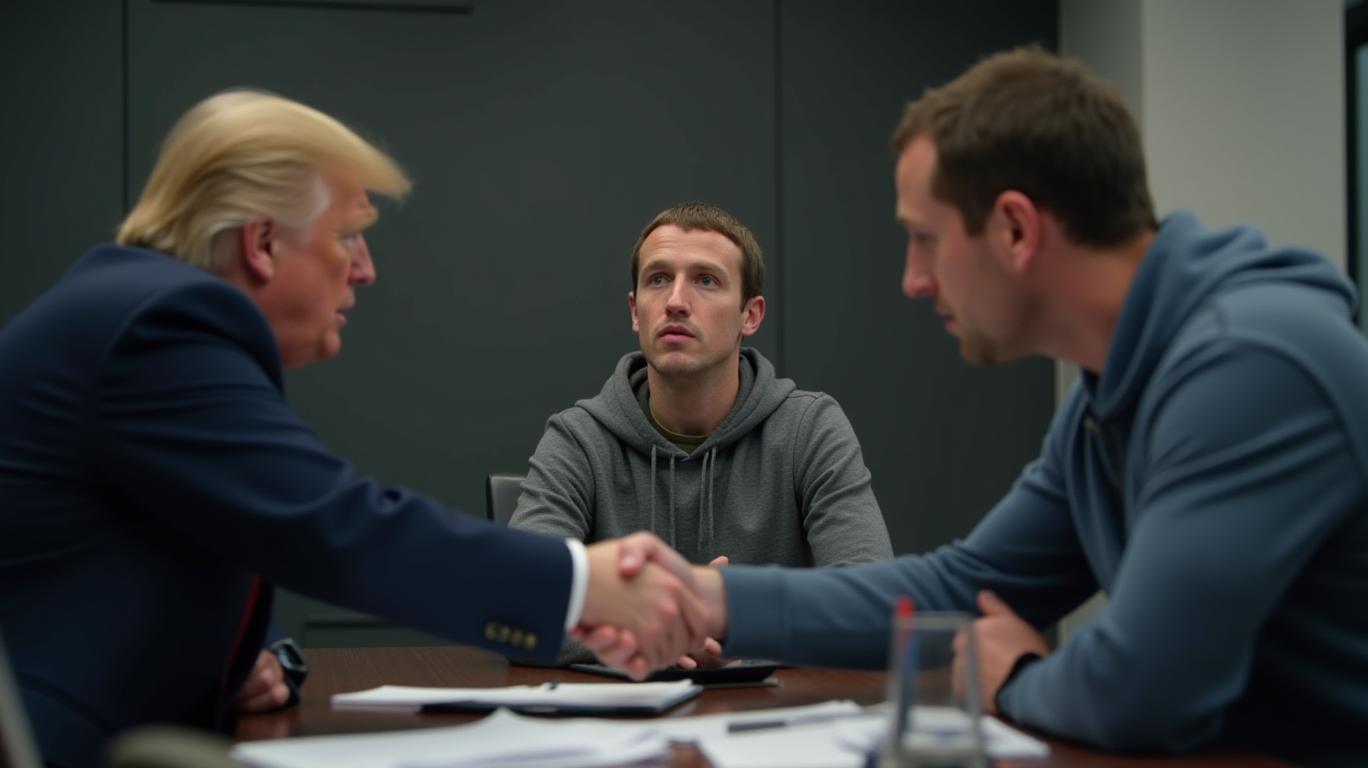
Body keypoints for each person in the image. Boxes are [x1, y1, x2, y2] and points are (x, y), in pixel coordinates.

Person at [586, 47, 1368, 764]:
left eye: (925, 239)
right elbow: (960, 589)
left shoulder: (1252, 366)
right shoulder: (1112, 393)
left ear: (1016, 230)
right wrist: (709, 599)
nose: (913, 280)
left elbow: (1142, 691)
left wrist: (1015, 675)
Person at [0, 89, 705, 767]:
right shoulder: (161, 328)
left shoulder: (131, 310)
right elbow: (339, 527)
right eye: (347, 236)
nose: (365, 270)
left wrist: (248, 652)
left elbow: (209, 542)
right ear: (262, 242)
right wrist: (583, 585)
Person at [511, 202, 892, 664]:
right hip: (625, 708)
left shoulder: (808, 428)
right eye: (657, 279)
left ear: (750, 315)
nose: (675, 300)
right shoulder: (578, 438)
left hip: (769, 708)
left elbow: (874, 604)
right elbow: (518, 607)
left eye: (706, 280)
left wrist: (734, 621)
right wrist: (658, 632)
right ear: (635, 311)